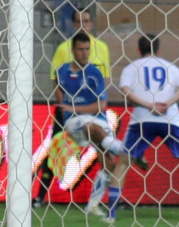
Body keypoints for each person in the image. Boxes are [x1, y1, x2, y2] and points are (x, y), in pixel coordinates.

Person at [106, 34, 179, 225]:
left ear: (138, 50)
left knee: (123, 163)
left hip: (142, 119)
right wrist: (167, 103)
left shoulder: (131, 67)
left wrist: (148, 105)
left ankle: (111, 214)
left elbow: (125, 90)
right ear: (158, 50)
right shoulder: (170, 66)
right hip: (170, 119)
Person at [51, 31, 125, 215]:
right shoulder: (62, 72)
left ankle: (93, 204)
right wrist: (67, 107)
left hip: (95, 117)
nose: (85, 53)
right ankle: (127, 152)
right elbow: (59, 93)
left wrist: (74, 108)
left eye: (87, 49)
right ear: (73, 50)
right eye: (81, 49)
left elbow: (102, 104)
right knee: (91, 128)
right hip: (76, 122)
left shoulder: (94, 73)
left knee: (108, 163)